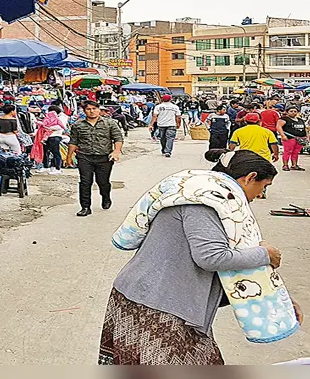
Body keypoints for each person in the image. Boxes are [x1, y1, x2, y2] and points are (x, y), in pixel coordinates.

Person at [99, 149, 299, 365]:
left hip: (158, 298)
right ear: (250, 177)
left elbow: (234, 255)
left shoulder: (215, 200)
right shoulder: (203, 202)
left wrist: (280, 301)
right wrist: (265, 255)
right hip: (157, 305)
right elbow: (211, 257)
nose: (260, 195)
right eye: (263, 186)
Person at [65, 100, 124, 217]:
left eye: (94, 109)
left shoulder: (110, 123)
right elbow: (73, 142)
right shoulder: (78, 125)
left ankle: (106, 197)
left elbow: (118, 138)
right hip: (84, 157)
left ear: (99, 110)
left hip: (104, 157)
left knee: (103, 182)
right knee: (85, 182)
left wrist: (116, 151)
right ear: (84, 111)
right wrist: (69, 157)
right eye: (88, 109)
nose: (91, 111)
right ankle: (85, 207)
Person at [229, 113, 279, 199]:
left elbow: (232, 145)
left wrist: (230, 154)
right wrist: (276, 154)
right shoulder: (266, 131)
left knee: (247, 176)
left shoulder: (238, 131)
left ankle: (246, 191)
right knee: (264, 176)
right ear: (259, 121)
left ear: (245, 121)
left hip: (246, 157)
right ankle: (261, 191)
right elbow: (273, 144)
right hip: (263, 158)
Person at [278, 105, 310, 171]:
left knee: (296, 152)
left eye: (295, 111)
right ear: (287, 112)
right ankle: (285, 165)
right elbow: (278, 127)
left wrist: (307, 137)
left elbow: (305, 129)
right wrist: (283, 135)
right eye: (291, 111)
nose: (293, 112)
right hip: (289, 138)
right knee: (287, 152)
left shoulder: (300, 120)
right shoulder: (284, 119)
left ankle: (294, 165)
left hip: (300, 138)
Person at [40, 105, 66, 174]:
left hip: (55, 136)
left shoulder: (62, 117)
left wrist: (48, 127)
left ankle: (57, 168)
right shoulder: (50, 117)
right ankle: (46, 167)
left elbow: (61, 127)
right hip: (48, 136)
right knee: (45, 152)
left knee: (55, 152)